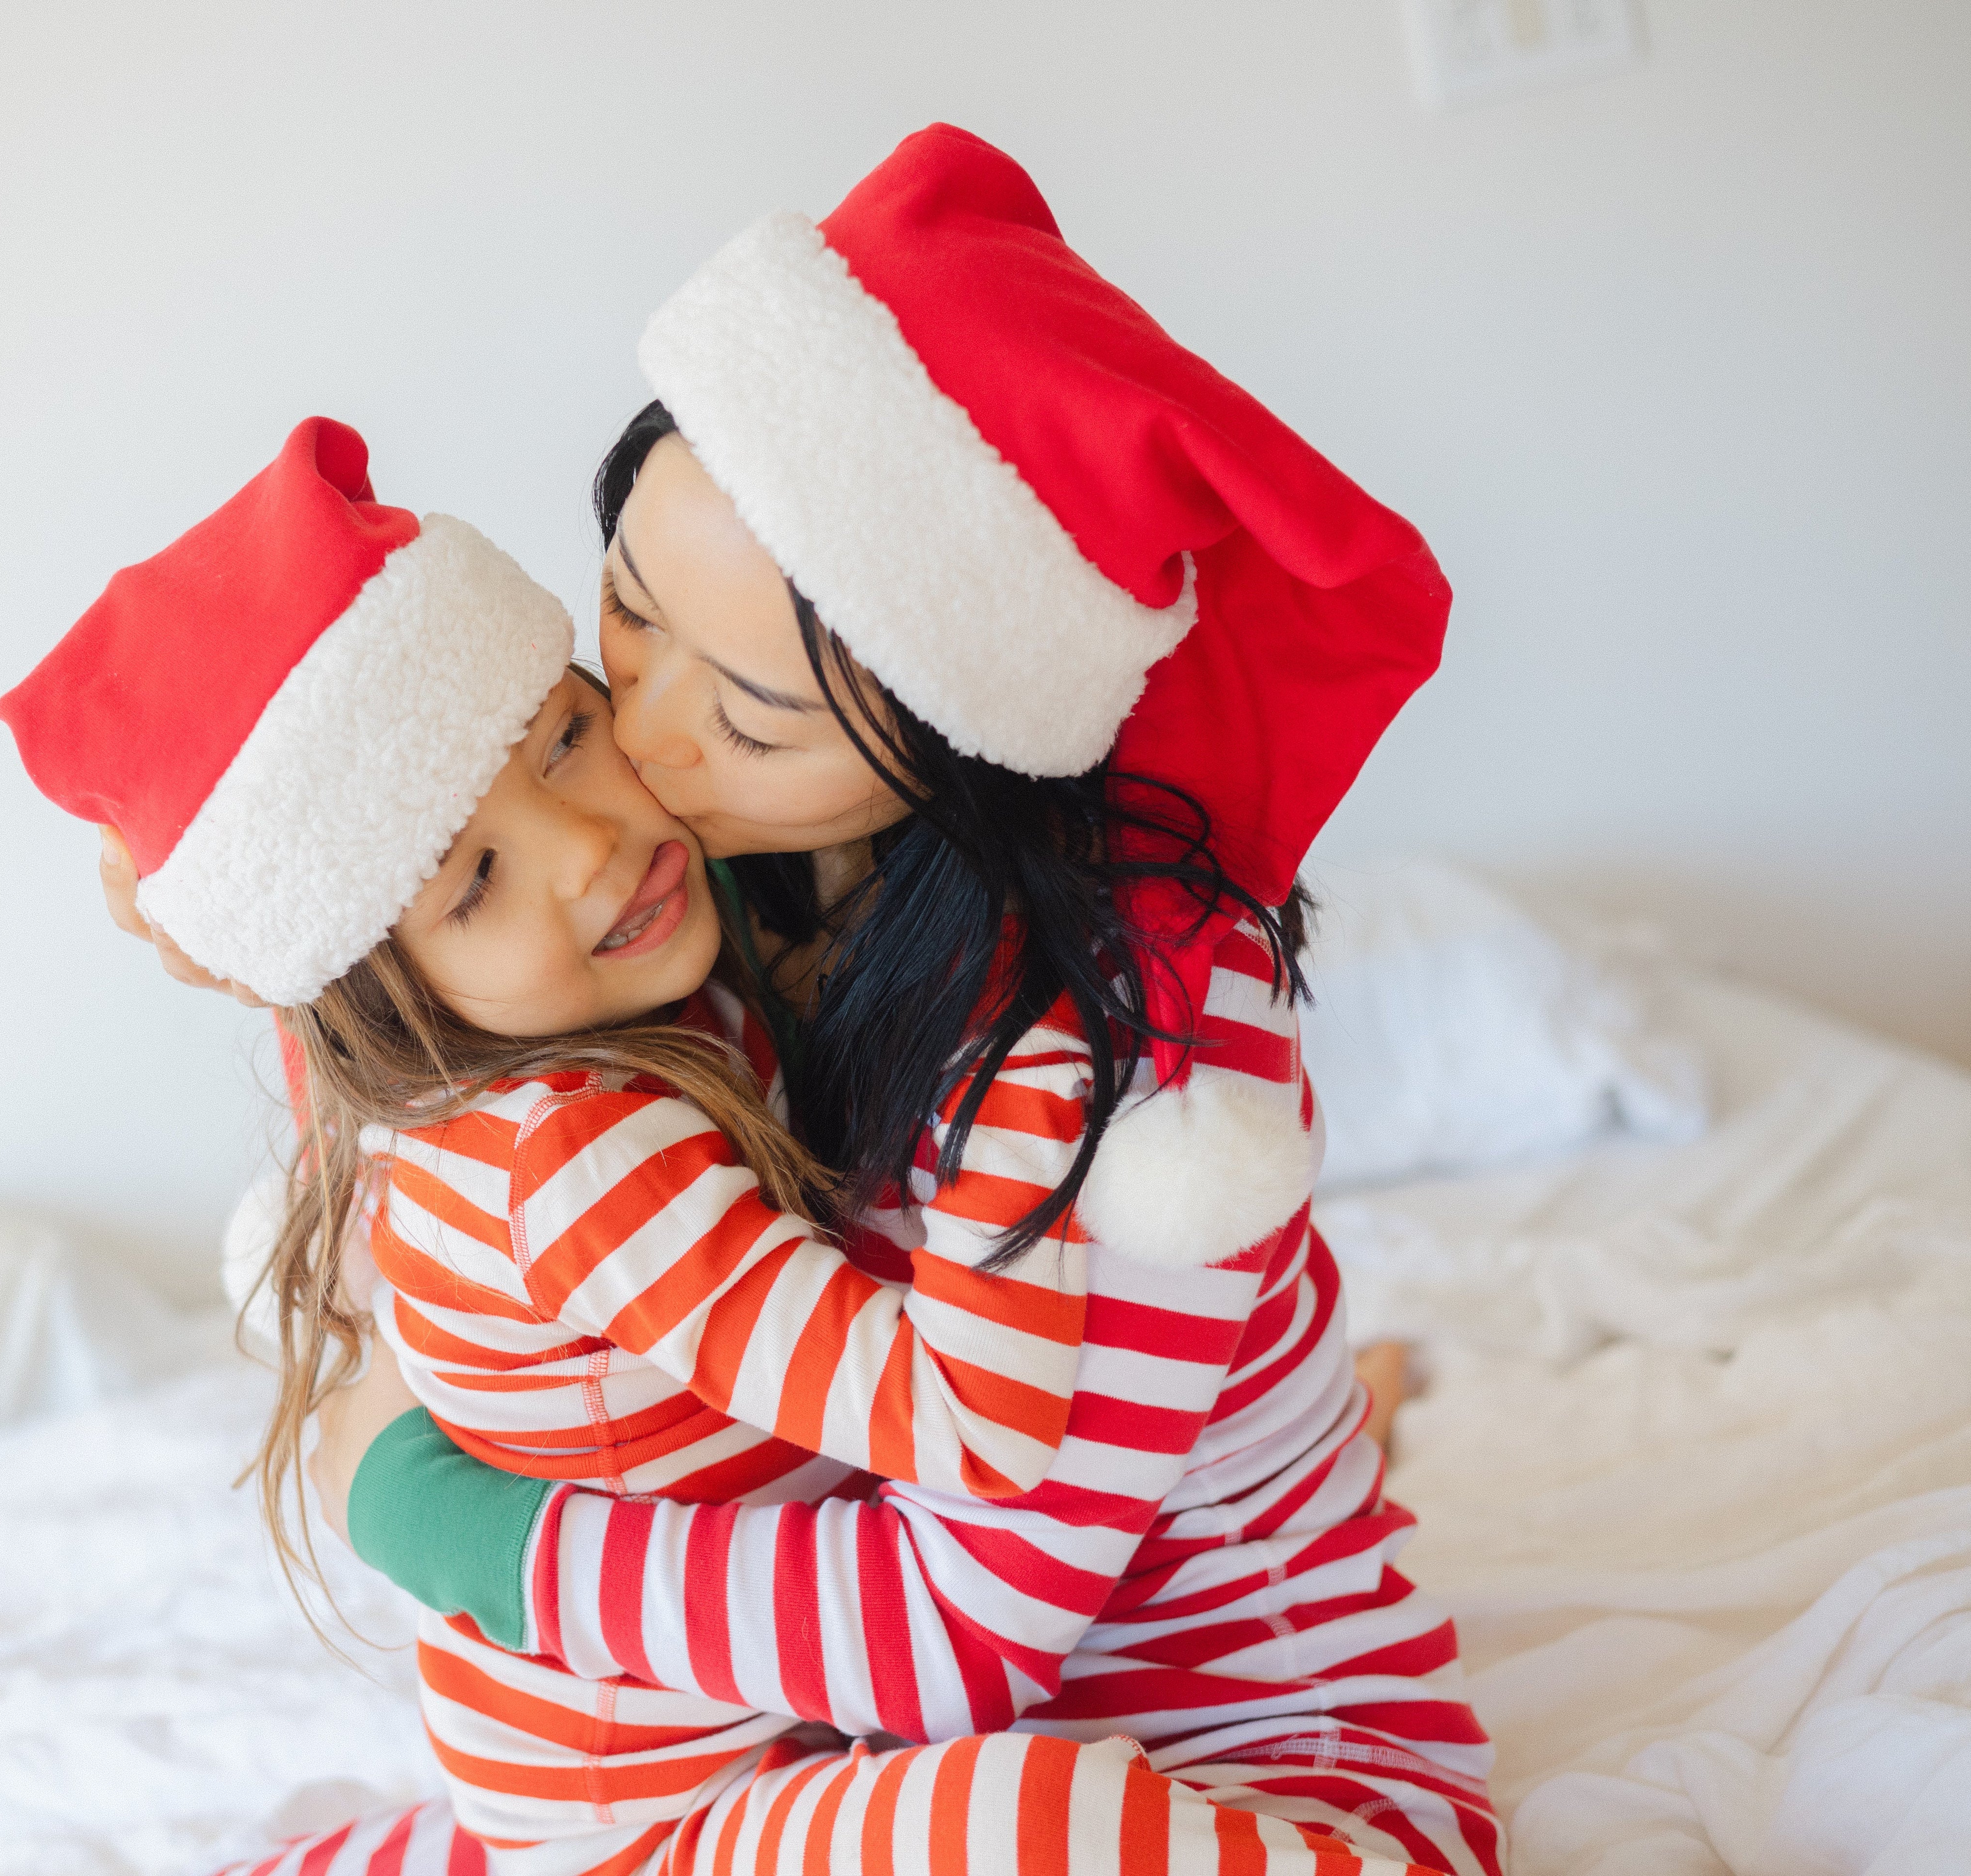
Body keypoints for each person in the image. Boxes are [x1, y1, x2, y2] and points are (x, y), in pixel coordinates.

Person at [177, 130, 1501, 1875]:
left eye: (750, 719)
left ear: (957, 738)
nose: (634, 765)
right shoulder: (700, 892)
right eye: (625, 634)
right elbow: (420, 993)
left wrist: (435, 1513)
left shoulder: (1141, 1066)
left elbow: (957, 1647)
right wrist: (213, 891)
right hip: (838, 1772)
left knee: (1045, 1823)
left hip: (1226, 1774)